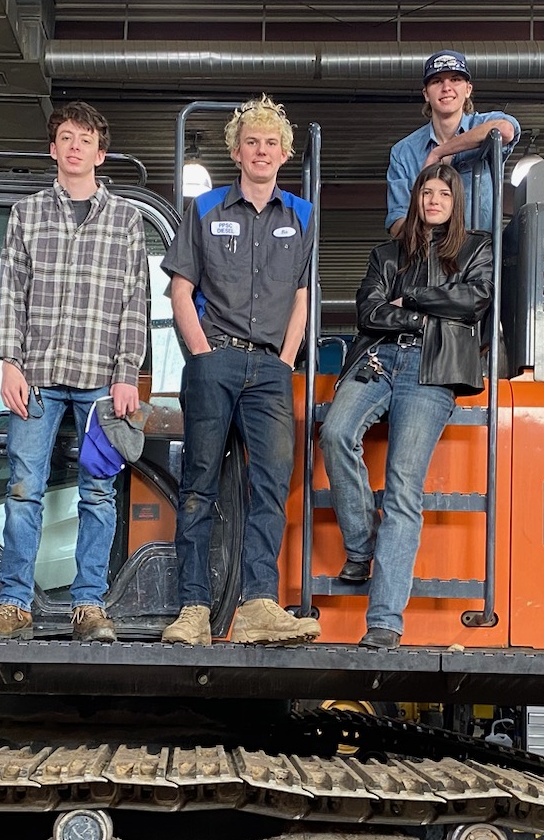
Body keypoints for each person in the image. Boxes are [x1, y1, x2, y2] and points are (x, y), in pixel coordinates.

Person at [0, 101, 150, 643]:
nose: (75, 146)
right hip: (38, 376)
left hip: (101, 379)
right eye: (66, 137)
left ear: (101, 151)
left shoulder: (126, 219)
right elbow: (11, 293)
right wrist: (10, 362)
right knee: (24, 489)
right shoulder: (27, 214)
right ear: (54, 149)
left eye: (86, 138)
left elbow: (134, 300)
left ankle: (89, 605)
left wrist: (126, 374)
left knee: (98, 493)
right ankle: (13, 605)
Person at [160, 95, 321, 647]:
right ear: (235, 151)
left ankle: (257, 606)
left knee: (270, 488)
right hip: (215, 362)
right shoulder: (204, 209)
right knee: (198, 487)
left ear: (284, 154)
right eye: (251, 141)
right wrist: (203, 354)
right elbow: (181, 291)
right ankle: (193, 611)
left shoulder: (301, 215)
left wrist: (284, 360)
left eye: (271, 143)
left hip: (271, 370)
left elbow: (302, 297)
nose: (261, 150)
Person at [321, 165, 493, 650]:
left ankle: (385, 622)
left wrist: (411, 297)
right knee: (335, 433)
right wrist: (428, 313)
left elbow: (474, 300)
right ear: (415, 198)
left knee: (402, 488)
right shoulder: (386, 253)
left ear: (455, 201)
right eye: (427, 192)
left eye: (444, 193)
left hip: (432, 369)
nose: (434, 199)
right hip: (378, 358)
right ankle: (362, 546)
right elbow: (368, 311)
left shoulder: (476, 248)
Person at [386, 50, 519, 237]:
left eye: (455, 79)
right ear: (426, 94)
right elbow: (397, 225)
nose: (446, 87)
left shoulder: (485, 124)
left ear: (468, 90)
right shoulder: (403, 152)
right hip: (426, 257)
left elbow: (505, 130)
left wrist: (438, 153)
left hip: (480, 256)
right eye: (437, 81)